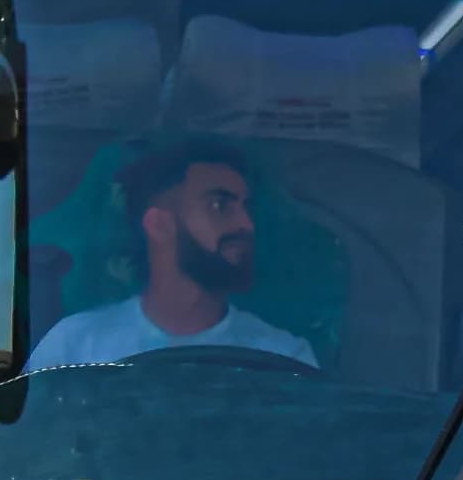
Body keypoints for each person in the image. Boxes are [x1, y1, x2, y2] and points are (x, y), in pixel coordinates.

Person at [26, 140, 319, 374]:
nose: (246, 224)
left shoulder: (284, 359)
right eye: (219, 206)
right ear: (159, 224)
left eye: (247, 208)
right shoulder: (75, 348)